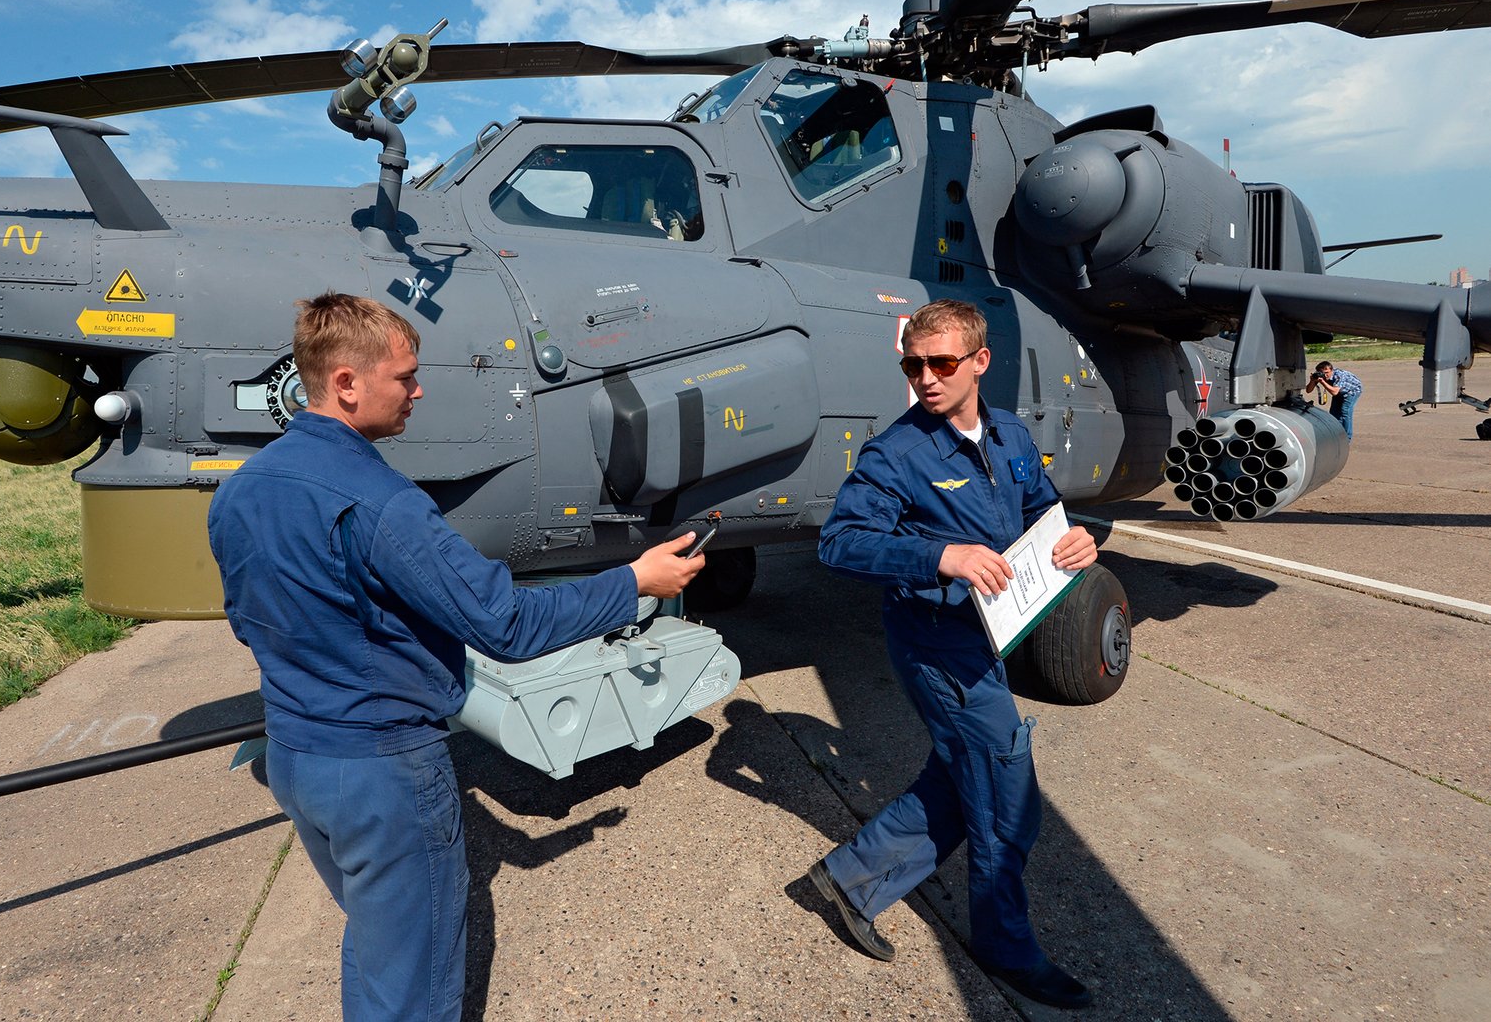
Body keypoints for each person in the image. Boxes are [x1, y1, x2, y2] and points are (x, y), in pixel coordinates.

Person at [207, 292, 703, 1021]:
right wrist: (634, 582)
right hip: (382, 772)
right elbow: (505, 624)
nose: (418, 390)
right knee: (413, 985)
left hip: (295, 757)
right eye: (404, 377)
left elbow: (246, 622)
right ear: (346, 382)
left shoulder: (241, 490)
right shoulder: (383, 502)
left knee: (383, 948)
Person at [808, 299, 1098, 1011]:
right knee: (1006, 798)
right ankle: (1006, 946)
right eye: (914, 364)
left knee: (962, 776)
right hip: (936, 645)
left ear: (980, 362)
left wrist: (1078, 540)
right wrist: (942, 554)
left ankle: (852, 878)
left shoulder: (1009, 436)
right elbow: (839, 543)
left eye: (942, 363)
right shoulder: (898, 454)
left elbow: (1043, 508)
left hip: (991, 636)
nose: (926, 379)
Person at [1306, 360, 1363, 438]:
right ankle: (1337, 434)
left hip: (1352, 391)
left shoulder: (1339, 375)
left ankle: (1347, 437)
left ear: (1332, 370)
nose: (1325, 375)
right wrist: (1312, 381)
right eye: (1323, 373)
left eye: (1327, 372)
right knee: (1334, 413)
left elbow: (1334, 392)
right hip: (1338, 391)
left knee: (1345, 411)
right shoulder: (1319, 376)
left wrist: (1322, 382)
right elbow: (1308, 390)